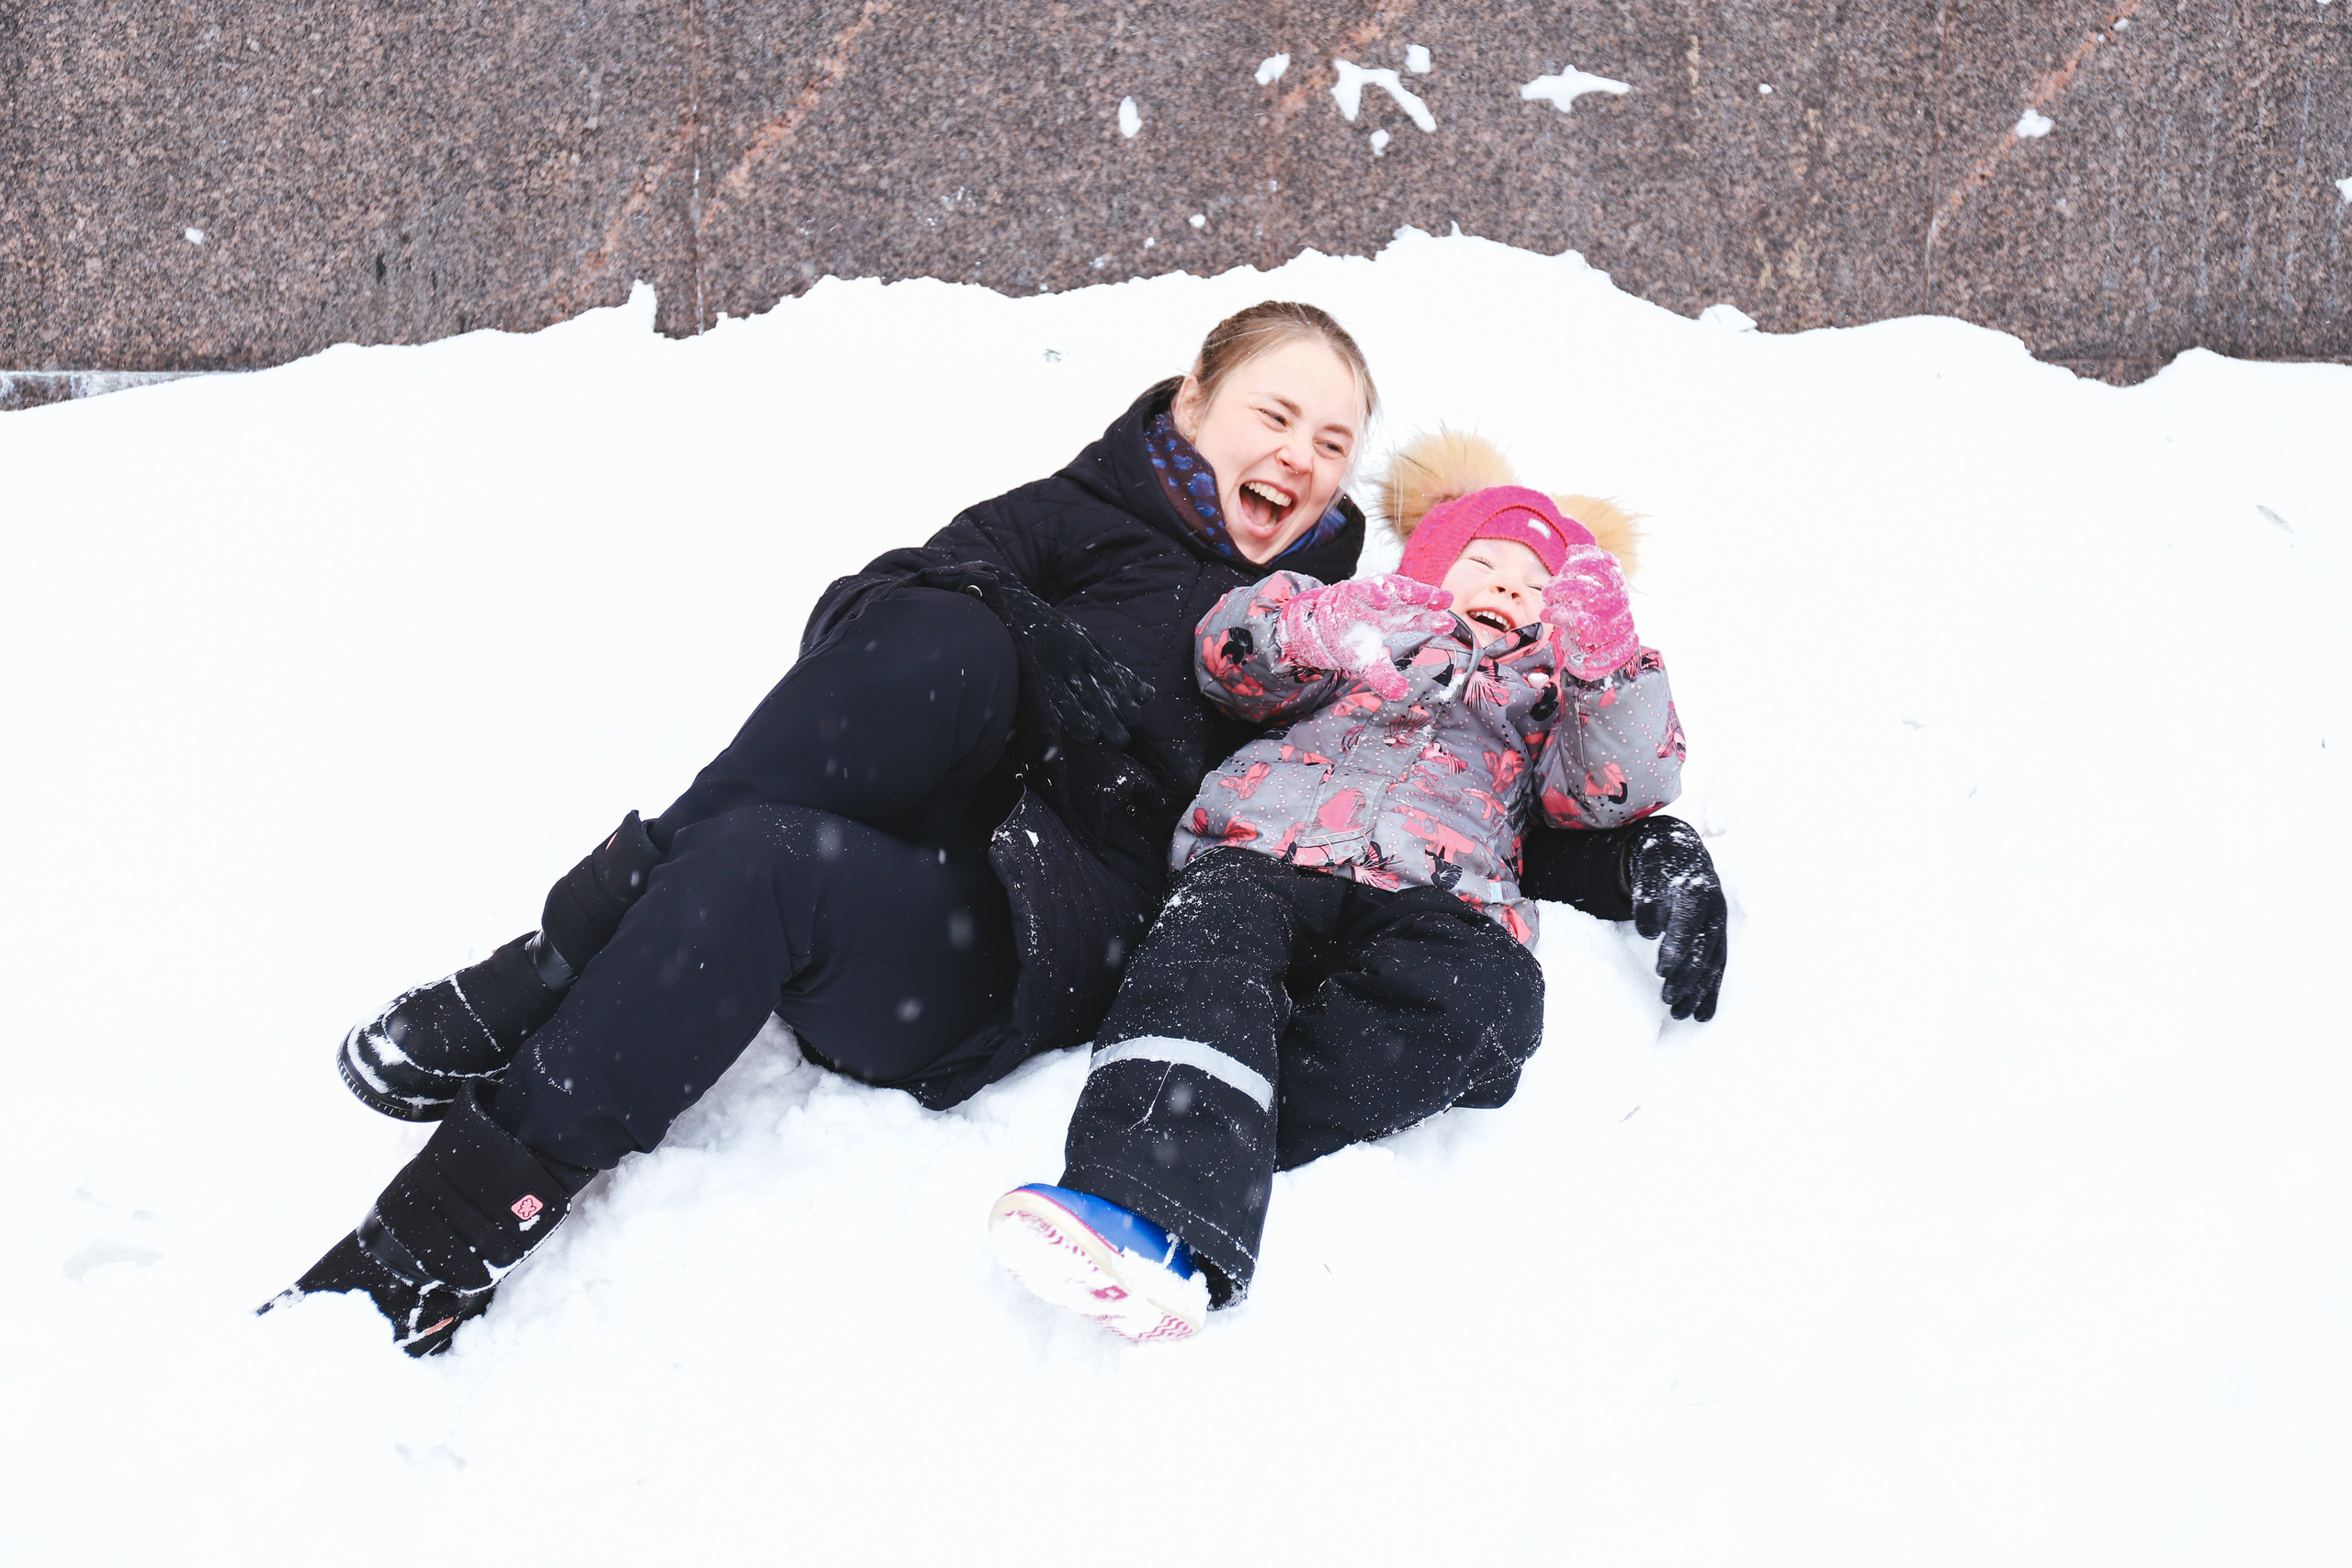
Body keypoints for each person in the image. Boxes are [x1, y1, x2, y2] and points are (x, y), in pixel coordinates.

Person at [265, 301, 1387, 1355]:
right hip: (907, 814)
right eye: (1274, 416)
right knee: (912, 674)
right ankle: (419, 1256)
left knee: (781, 846)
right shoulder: (1069, 515)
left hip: (1011, 938)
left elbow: (1435, 790)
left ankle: (562, 956)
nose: (1301, 457)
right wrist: (1026, 642)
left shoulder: (1340, 636)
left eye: (1332, 443)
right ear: (1192, 404)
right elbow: (858, 624)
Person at [988, 434, 1727, 1342]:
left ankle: (1200, 1135)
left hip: (1435, 897)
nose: (1504, 586)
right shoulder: (1355, 628)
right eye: (1481, 563)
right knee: (1203, 954)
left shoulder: (1547, 702)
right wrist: (1319, 627)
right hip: (1264, 857)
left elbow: (1618, 790)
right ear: (1425, 565)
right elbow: (1227, 657)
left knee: (1489, 997)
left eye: (1535, 584)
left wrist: (1605, 667)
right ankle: (1145, 1216)